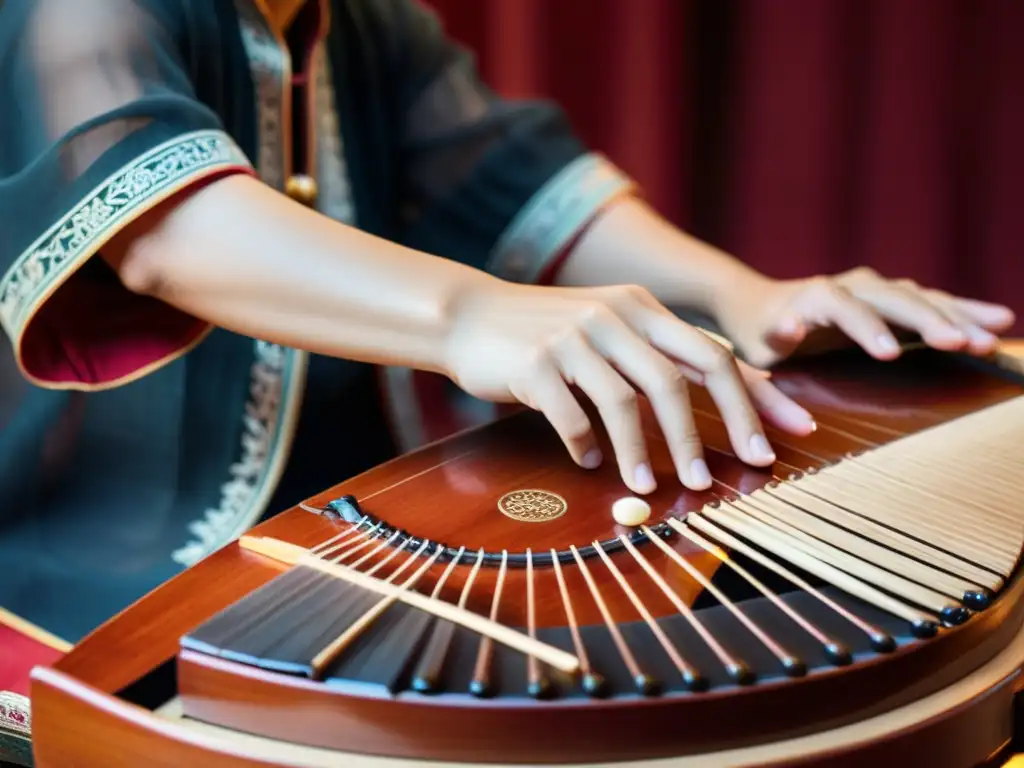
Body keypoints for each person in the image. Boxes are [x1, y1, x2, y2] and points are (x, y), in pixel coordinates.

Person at [0, 0, 1014, 649]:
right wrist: (475, 315)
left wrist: (750, 298)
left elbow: (519, 189)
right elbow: (164, 227)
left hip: (353, 529)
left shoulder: (356, 24)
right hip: (93, 577)